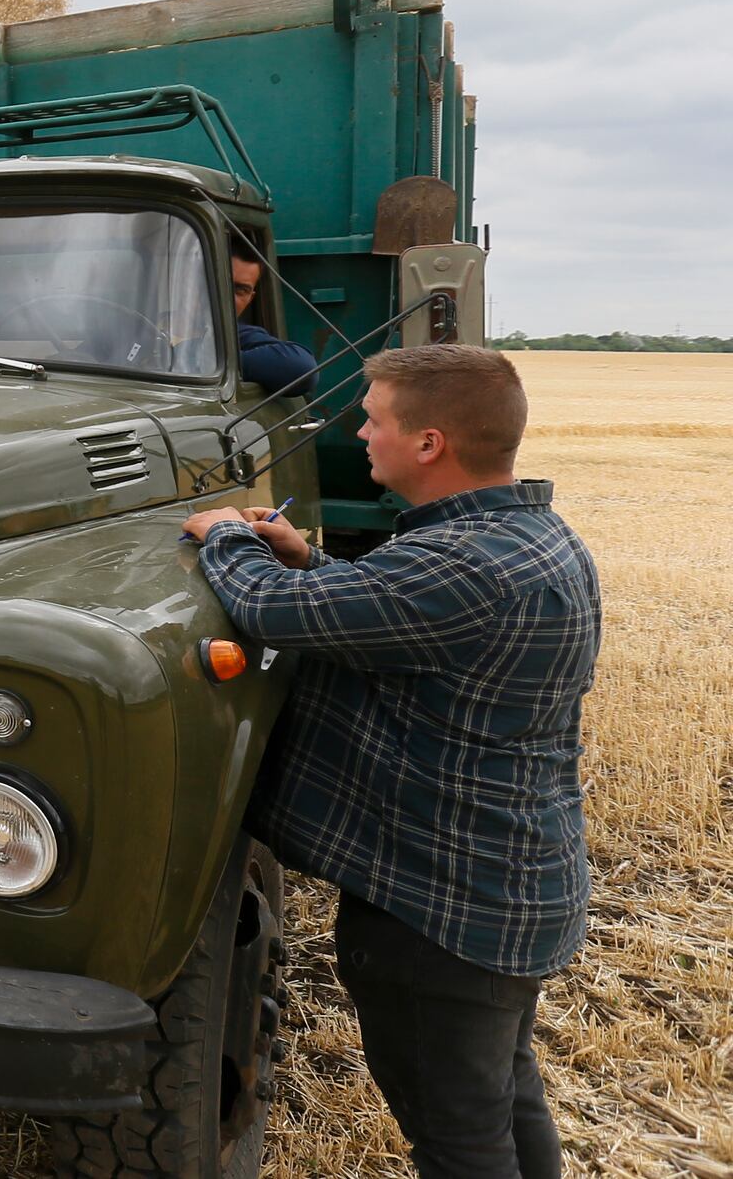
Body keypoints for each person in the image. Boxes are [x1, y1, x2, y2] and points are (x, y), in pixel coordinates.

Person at [182, 344, 599, 1179]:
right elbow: (404, 621)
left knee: (460, 1143)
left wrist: (228, 537)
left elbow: (271, 609)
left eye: (373, 418)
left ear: (429, 444)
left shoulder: (465, 566)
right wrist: (313, 560)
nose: (361, 432)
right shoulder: (526, 538)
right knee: (505, 1105)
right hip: (512, 888)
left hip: (442, 914)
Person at [232, 251, 316, 394]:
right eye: (219, 284)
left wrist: (214, 364)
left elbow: (301, 367)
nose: (228, 297)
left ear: (250, 298)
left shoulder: (234, 335)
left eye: (240, 290)